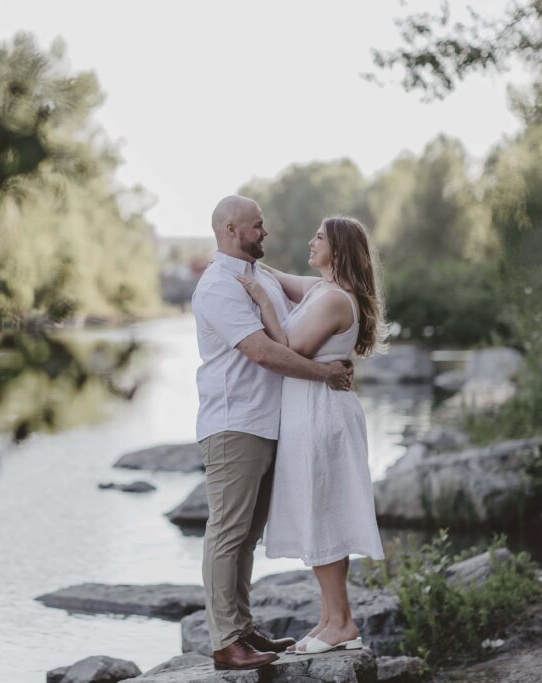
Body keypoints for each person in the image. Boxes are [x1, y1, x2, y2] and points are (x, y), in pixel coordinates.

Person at [192, 195, 353, 671]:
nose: (266, 233)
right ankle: (226, 642)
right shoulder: (219, 285)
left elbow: (318, 300)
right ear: (230, 230)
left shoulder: (260, 275)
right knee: (227, 532)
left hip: (268, 423)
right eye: (257, 226)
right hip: (233, 422)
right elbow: (262, 351)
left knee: (246, 535)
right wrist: (325, 373)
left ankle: (243, 628)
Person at [237, 215, 386, 655]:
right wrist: (242, 261)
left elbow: (288, 344)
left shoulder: (335, 299)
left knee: (323, 513)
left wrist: (263, 299)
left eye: (318, 237)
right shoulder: (322, 289)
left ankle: (341, 622)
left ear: (337, 249)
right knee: (319, 511)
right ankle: (330, 619)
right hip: (311, 410)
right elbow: (280, 277)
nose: (310, 240)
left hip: (322, 415)